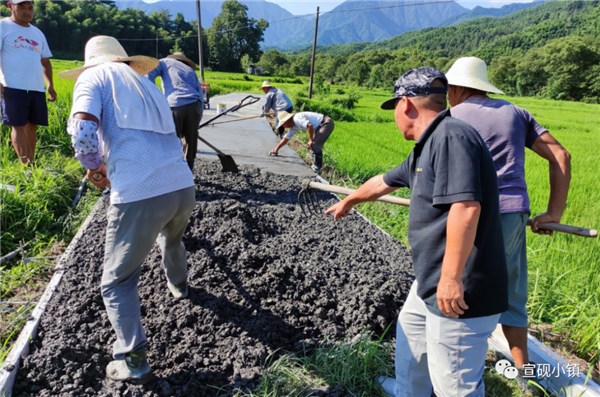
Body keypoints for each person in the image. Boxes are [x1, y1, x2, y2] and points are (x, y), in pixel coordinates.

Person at [325, 67, 508, 397]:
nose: (395, 115)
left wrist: (451, 279)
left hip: (460, 289)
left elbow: (466, 208)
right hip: (430, 280)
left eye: (394, 106)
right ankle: (409, 391)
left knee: (455, 385)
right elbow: (384, 181)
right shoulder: (427, 146)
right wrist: (348, 201)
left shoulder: (452, 136)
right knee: (413, 341)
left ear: (406, 104)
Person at [59, 35, 195, 384]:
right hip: (182, 186)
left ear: (91, 62)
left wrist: (93, 165)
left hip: (140, 192)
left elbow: (84, 129)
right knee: (173, 239)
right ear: (123, 59)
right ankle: (179, 285)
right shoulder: (146, 83)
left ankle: (133, 360)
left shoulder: (93, 78)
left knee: (117, 281)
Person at [446, 56, 571, 382]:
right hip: (512, 215)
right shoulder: (516, 113)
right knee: (512, 293)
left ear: (458, 87)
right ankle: (523, 373)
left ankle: (460, 373)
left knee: (457, 285)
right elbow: (561, 155)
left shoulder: (451, 116)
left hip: (464, 211)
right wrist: (554, 212)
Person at [0, 0, 56, 165]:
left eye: (30, 7)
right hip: (12, 86)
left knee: (33, 125)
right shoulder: (3, 26)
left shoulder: (37, 33)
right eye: (21, 7)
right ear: (10, 6)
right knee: (18, 125)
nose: (27, 11)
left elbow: (45, 62)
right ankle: (25, 165)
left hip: (37, 88)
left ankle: (31, 163)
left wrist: (50, 85)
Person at [147, 51, 204, 170]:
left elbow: (148, 75)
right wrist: (197, 119)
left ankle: (170, 169)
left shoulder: (164, 62)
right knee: (190, 140)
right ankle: (188, 171)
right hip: (195, 105)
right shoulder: (190, 70)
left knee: (170, 139)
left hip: (176, 104)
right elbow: (200, 93)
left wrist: (156, 97)